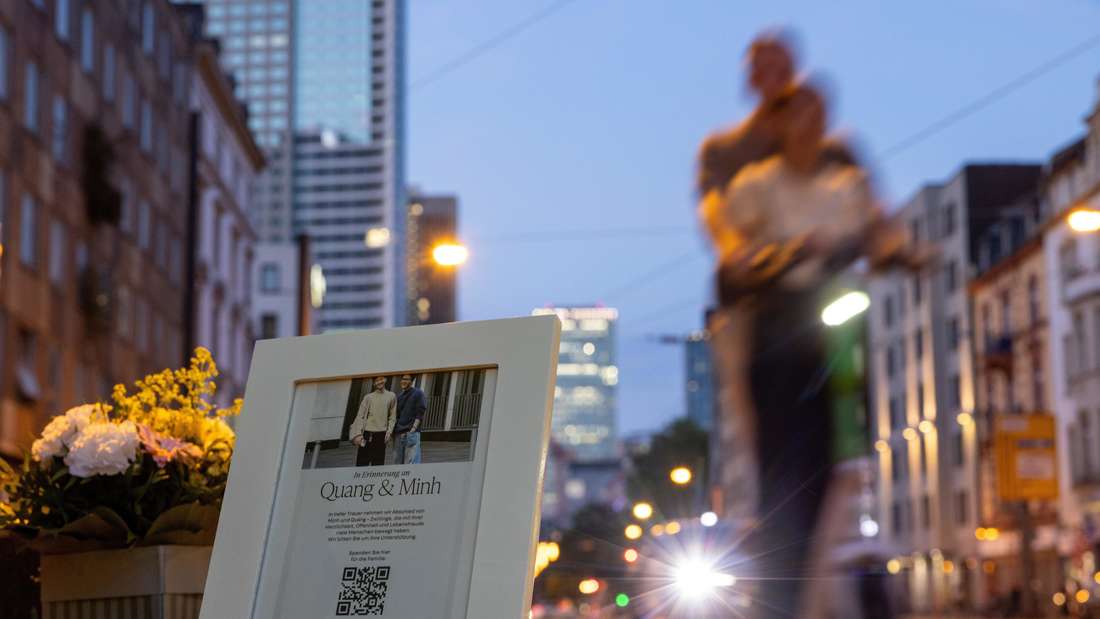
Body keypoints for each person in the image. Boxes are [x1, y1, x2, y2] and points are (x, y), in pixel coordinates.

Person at [699, 83, 912, 619]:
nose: (809, 126)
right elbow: (732, 252)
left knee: (827, 462)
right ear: (780, 125)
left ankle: (808, 588)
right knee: (780, 472)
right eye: (798, 115)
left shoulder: (845, 183)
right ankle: (782, 598)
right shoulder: (756, 184)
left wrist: (901, 250)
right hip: (776, 325)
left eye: (819, 115)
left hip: (832, 325)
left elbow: (883, 237)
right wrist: (781, 253)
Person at [349, 376, 396, 467]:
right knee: (361, 464)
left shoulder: (391, 396)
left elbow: (392, 417)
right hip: (366, 434)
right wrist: (358, 434)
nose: (379, 382)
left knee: (377, 465)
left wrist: (389, 431)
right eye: (376, 381)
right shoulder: (368, 397)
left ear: (385, 379)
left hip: (381, 435)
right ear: (373, 383)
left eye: (381, 379)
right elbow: (360, 416)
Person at [393, 374, 427, 465]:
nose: (403, 381)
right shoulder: (399, 396)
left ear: (411, 382)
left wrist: (413, 429)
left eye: (406, 379)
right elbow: (396, 415)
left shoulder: (418, 393)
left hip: (411, 433)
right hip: (399, 434)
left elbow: (420, 412)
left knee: (411, 464)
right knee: (397, 463)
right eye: (402, 379)